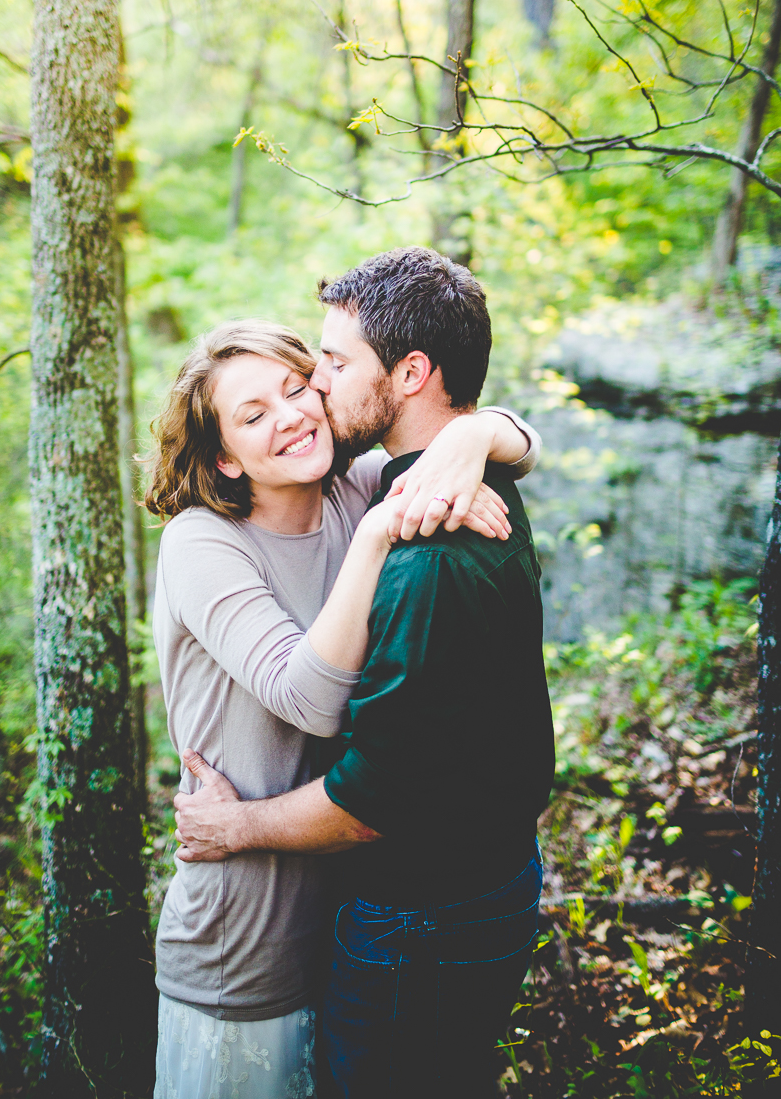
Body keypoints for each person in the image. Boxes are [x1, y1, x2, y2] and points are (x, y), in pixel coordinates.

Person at [172, 248, 556, 1098]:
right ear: (224, 454)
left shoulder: (420, 536)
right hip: (405, 905)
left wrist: (234, 829)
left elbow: (373, 803)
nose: (317, 389)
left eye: (332, 365)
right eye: (256, 410)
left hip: (422, 916)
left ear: (411, 372)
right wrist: (477, 433)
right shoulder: (407, 490)